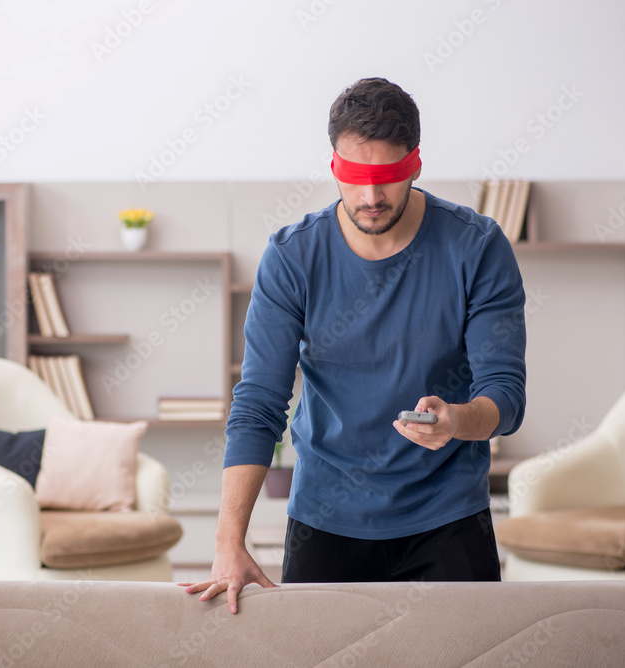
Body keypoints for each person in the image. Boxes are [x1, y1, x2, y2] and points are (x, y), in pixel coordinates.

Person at [181, 77, 527, 613]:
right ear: (333, 167)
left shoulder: (477, 247)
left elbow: (505, 395)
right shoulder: (293, 256)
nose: (370, 197)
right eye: (355, 178)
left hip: (448, 520)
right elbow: (258, 404)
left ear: (415, 164)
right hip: (326, 517)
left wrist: (458, 420)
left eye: (387, 177)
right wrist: (229, 544)